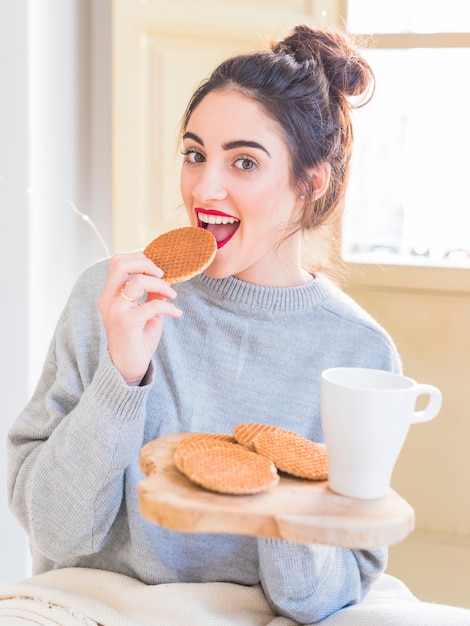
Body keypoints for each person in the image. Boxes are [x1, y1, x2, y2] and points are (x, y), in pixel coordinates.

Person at [7, 24, 403, 624]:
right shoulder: (113, 297)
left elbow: (324, 594)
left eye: (244, 161)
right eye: (195, 155)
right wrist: (122, 376)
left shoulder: (358, 354)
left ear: (309, 182)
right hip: (86, 601)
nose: (204, 186)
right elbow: (58, 533)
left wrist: (284, 491)